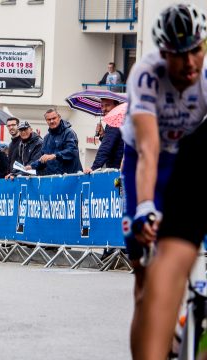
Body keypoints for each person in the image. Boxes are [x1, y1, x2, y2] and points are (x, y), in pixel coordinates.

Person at [118, 4, 207, 359]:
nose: (189, 64)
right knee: (143, 276)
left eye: (195, 52)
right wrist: (145, 207)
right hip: (145, 159)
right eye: (178, 56)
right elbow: (149, 148)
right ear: (164, 52)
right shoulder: (146, 74)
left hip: (185, 157)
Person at [25, 109, 82, 176]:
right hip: (54, 179)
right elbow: (43, 159)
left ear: (59, 118)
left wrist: (54, 156)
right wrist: (31, 166)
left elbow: (72, 151)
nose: (51, 121)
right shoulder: (46, 137)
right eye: (49, 119)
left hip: (70, 178)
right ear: (46, 121)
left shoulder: (69, 133)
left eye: (54, 118)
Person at [83, 99, 125, 174]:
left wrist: (94, 168)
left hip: (117, 171)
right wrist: (103, 135)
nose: (104, 109)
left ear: (116, 106)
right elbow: (115, 144)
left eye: (107, 105)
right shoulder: (122, 120)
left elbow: (106, 148)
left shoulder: (115, 122)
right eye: (102, 106)